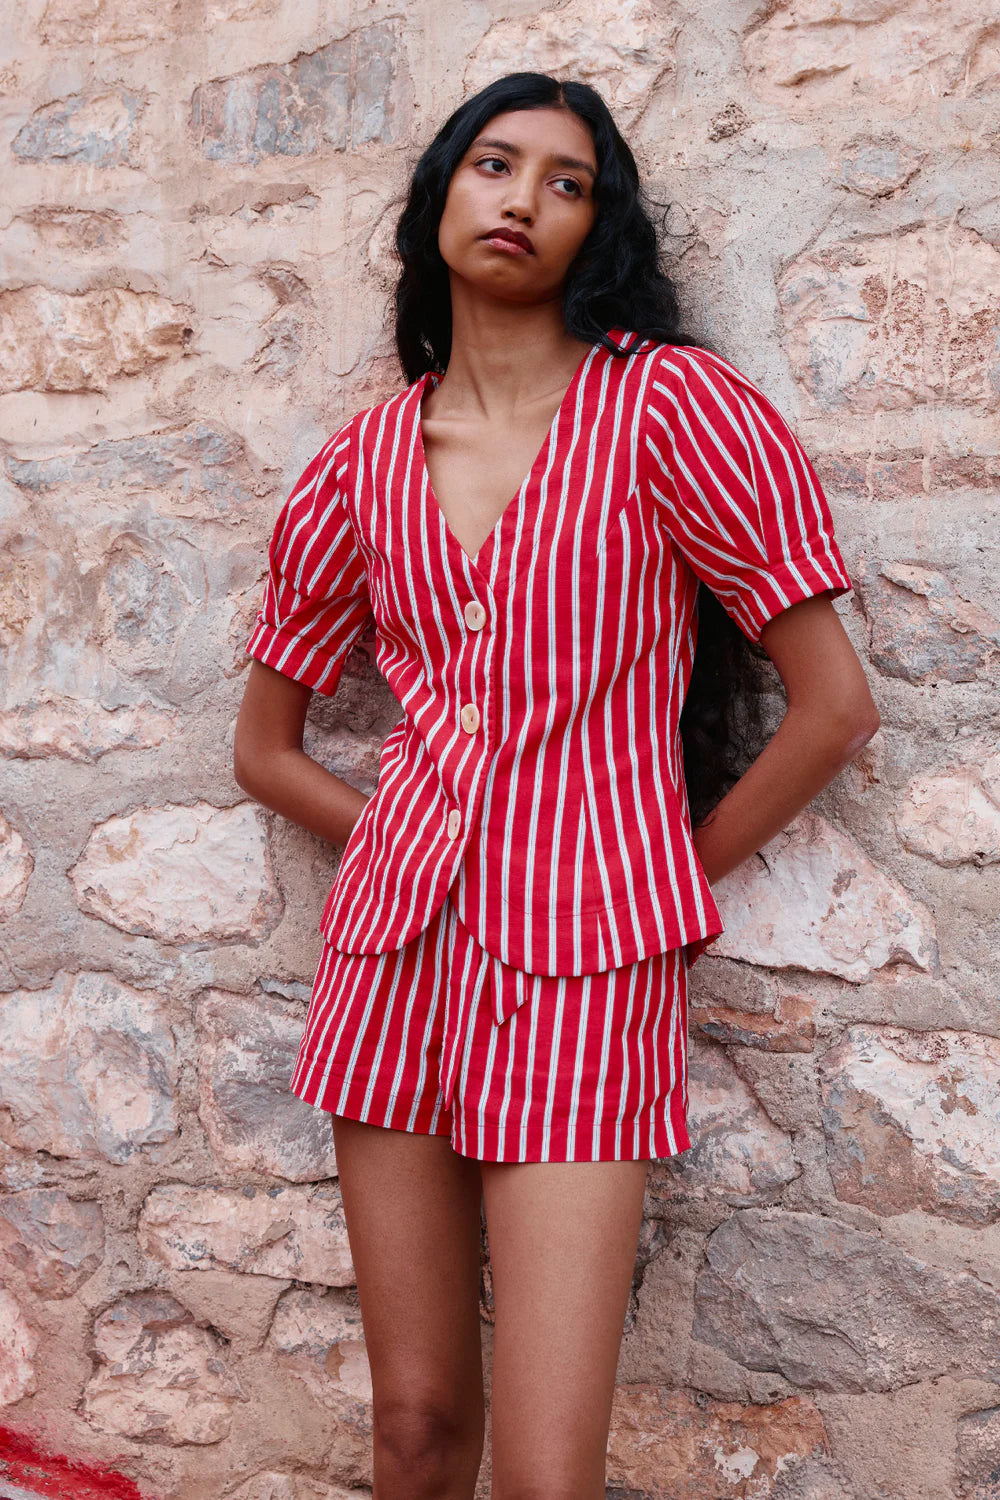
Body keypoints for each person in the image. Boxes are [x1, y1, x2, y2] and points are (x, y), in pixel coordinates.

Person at [233, 70, 880, 1500]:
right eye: (494, 164)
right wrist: (402, 836)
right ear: (440, 196)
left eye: (567, 182)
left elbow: (834, 712)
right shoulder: (359, 468)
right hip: (392, 961)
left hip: (588, 971)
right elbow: (264, 748)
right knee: (412, 1429)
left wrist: (652, 878)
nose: (524, 198)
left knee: (543, 1474)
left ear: (600, 228)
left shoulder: (672, 413)